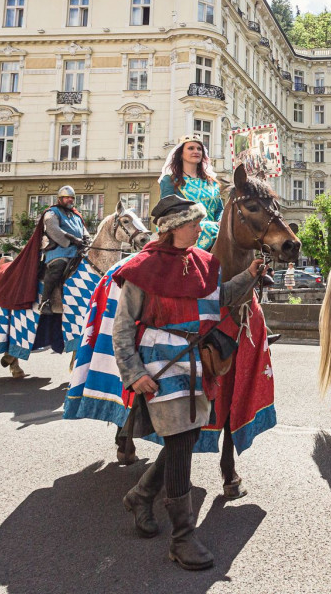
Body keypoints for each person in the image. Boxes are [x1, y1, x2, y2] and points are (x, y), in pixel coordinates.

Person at [114, 195, 264, 572]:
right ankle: (182, 538)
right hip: (160, 368)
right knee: (181, 441)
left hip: (197, 366)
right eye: (195, 223)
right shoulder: (142, 269)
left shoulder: (205, 263)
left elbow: (219, 300)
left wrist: (248, 277)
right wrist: (135, 374)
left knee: (190, 436)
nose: (201, 228)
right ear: (174, 227)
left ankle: (141, 494)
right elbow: (122, 328)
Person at [158, 135, 223, 251]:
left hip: (216, 234)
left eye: (199, 149)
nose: (196, 151)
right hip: (184, 234)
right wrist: (202, 225)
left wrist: (220, 222)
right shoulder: (169, 181)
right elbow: (169, 212)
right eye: (191, 148)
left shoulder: (212, 182)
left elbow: (219, 209)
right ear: (181, 154)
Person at [39, 186, 90, 315]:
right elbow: (53, 229)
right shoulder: (52, 212)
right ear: (60, 199)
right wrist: (72, 239)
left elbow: (84, 231)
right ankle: (45, 301)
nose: (70, 200)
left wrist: (87, 240)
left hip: (78, 251)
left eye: (72, 198)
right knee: (58, 266)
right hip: (59, 250)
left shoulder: (76, 215)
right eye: (67, 197)